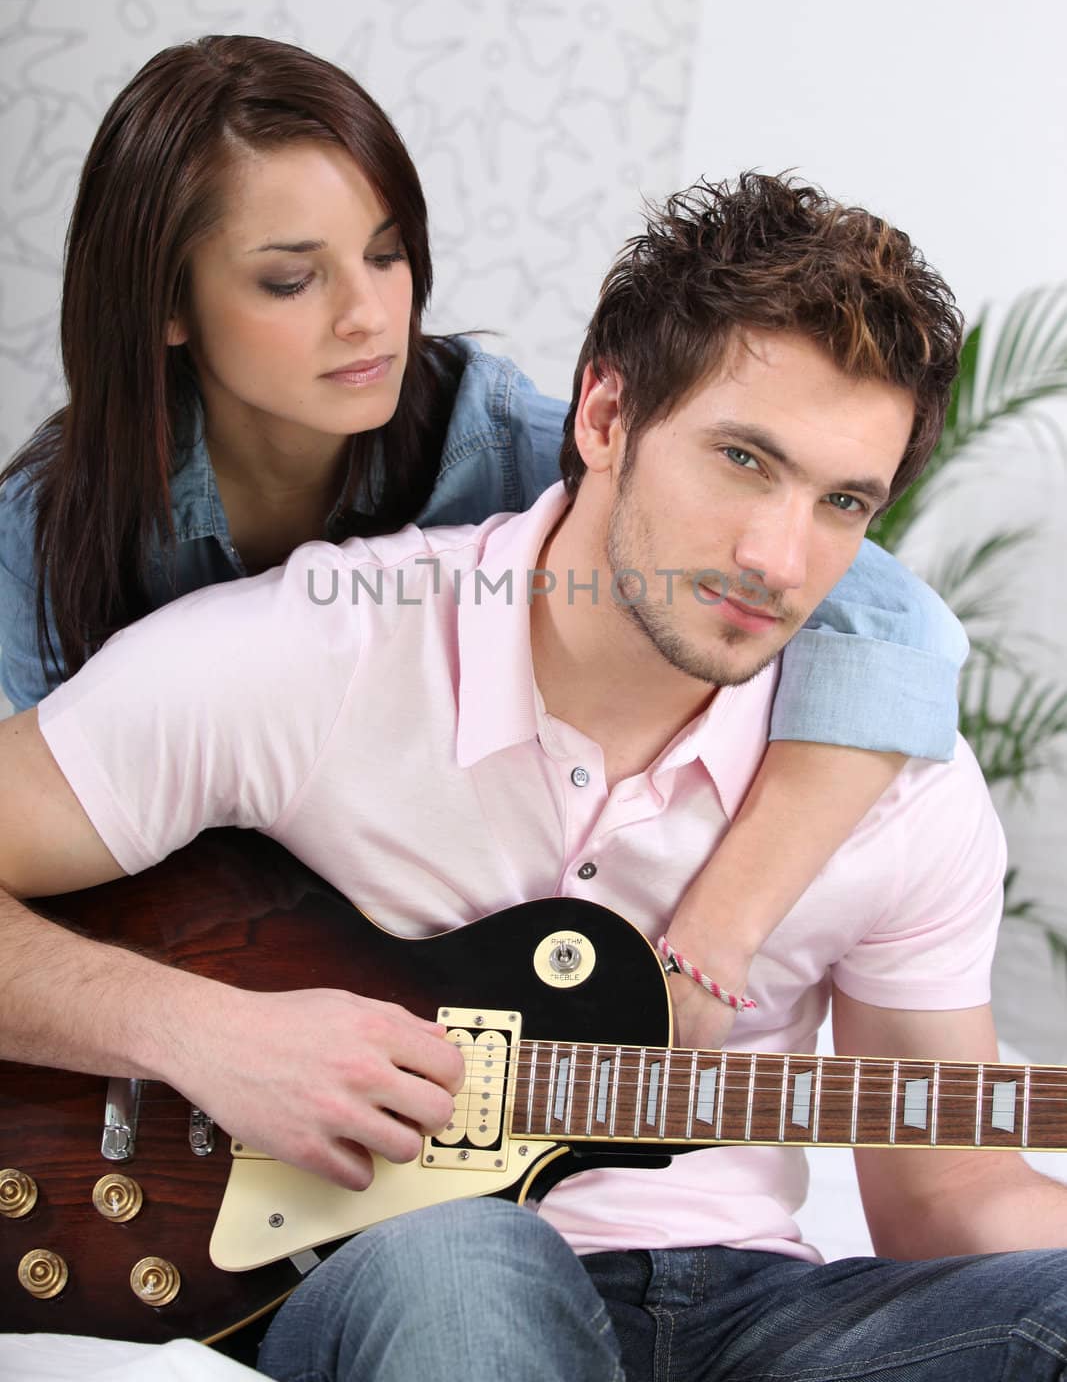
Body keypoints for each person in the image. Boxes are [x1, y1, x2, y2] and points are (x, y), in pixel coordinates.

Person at [2, 172, 1066, 1382]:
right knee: (463, 1263)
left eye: (840, 503)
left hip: (746, 1308)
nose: (778, 557)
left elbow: (948, 1192)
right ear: (604, 418)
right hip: (413, 1274)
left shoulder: (904, 795)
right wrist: (202, 1033)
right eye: (738, 459)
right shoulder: (321, 651)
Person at [0, 37, 964, 1046]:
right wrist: (221, 1039)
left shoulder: (506, 447)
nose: (370, 316)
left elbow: (892, 627)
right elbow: (71, 889)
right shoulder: (49, 530)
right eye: (291, 279)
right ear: (163, 303)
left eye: (386, 254)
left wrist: (716, 929)